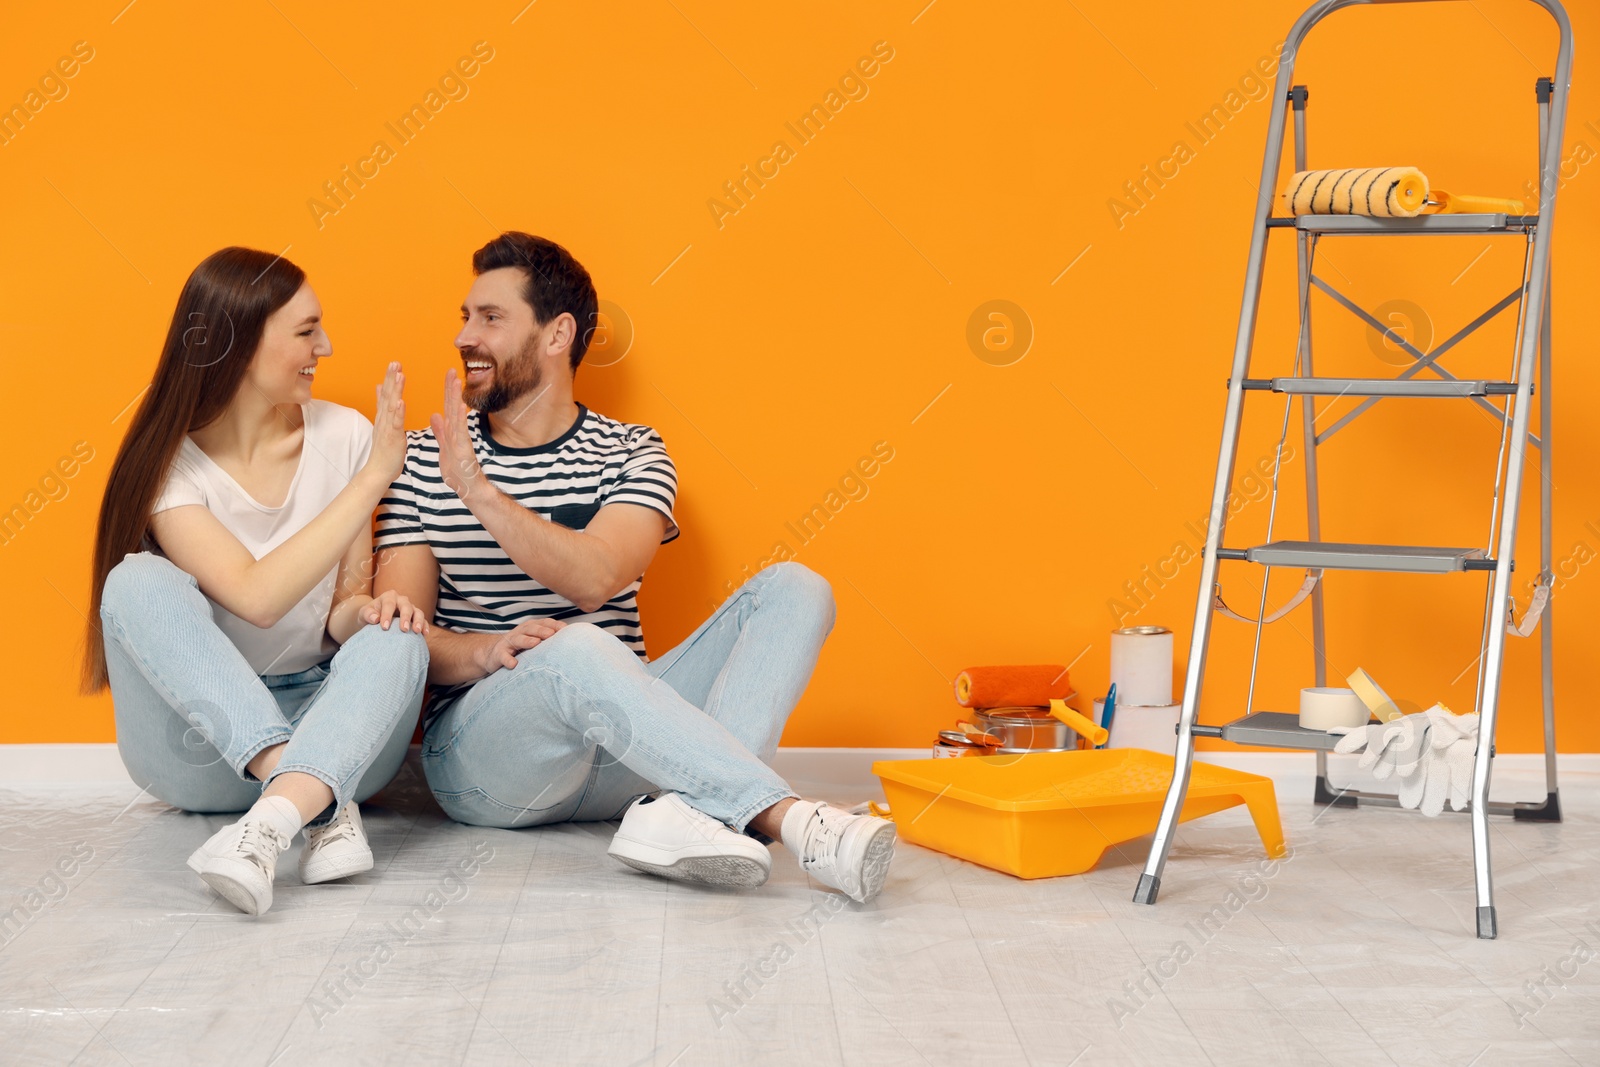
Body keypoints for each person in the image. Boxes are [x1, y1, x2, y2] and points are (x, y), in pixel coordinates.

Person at [373, 232, 897, 903]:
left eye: (491, 318)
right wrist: (484, 651)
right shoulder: (424, 458)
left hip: (628, 754)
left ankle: (689, 818)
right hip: (488, 760)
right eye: (465, 317)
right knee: (576, 645)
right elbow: (400, 631)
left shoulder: (630, 451)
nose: (466, 337)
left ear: (557, 333)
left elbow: (596, 577)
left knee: (799, 587)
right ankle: (788, 818)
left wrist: (479, 492)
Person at [82, 247, 431, 917]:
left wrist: (370, 612)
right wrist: (371, 482)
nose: (325, 346)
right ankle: (313, 804)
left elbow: (338, 610)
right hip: (198, 750)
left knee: (400, 634)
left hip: (331, 726)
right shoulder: (170, 464)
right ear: (238, 341)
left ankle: (266, 827)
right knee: (135, 581)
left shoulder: (348, 435)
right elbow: (258, 596)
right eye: (306, 330)